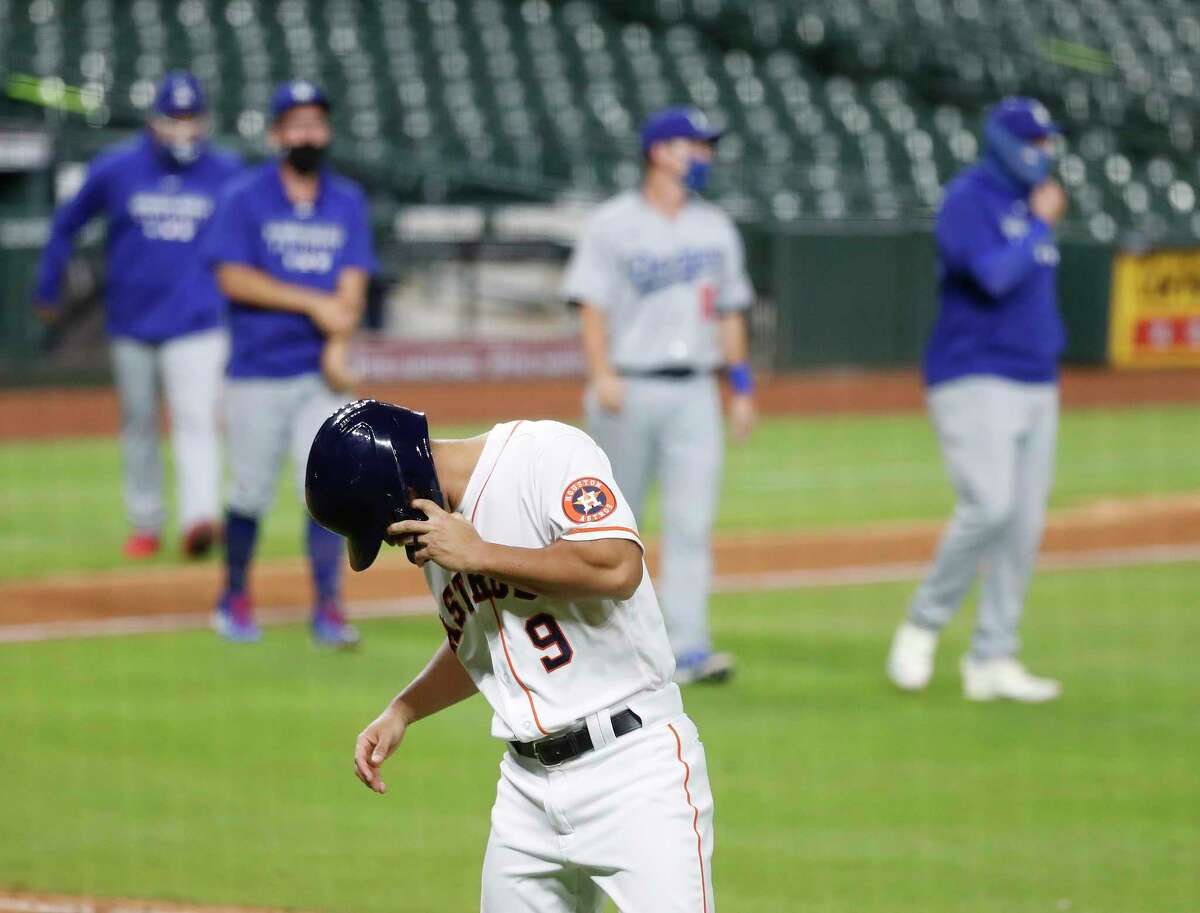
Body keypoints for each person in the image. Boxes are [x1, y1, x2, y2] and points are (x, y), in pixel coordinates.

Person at [304, 400, 715, 912]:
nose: (389, 539)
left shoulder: (543, 455)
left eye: (381, 524)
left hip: (634, 772)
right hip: (527, 793)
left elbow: (618, 568)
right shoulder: (437, 537)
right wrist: (403, 710)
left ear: (402, 489)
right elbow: (486, 644)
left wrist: (479, 554)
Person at [561, 106, 756, 685]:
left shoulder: (716, 226)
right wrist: (600, 371)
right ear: (660, 151)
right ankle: (601, 644)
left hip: (694, 387)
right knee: (614, 526)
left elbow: (730, 311)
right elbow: (591, 305)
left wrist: (739, 386)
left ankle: (689, 646)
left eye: (707, 146)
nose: (705, 156)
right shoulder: (612, 223)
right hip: (628, 384)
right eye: (695, 145)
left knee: (692, 523)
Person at [887, 97, 1068, 703]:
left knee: (1023, 526)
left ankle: (994, 655)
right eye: (1037, 141)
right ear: (1007, 142)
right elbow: (991, 278)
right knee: (989, 506)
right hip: (974, 374)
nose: (1046, 152)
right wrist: (1041, 224)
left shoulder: (1025, 204)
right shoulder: (971, 198)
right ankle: (923, 624)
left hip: (1035, 377)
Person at [33, 71, 241, 559]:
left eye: (192, 118)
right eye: (174, 118)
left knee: (197, 421)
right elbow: (66, 222)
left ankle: (200, 518)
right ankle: (146, 522)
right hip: (131, 320)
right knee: (139, 424)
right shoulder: (117, 167)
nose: (183, 128)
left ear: (205, 120)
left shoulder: (227, 170)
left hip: (198, 320)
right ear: (154, 120)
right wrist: (47, 283)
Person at [205, 79, 375, 646]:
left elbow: (352, 286)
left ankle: (328, 608)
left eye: (316, 123)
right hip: (257, 367)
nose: (308, 134)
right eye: (296, 124)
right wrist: (311, 302)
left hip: (318, 374)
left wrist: (335, 341)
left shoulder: (346, 199)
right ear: (277, 133)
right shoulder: (245, 196)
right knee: (250, 489)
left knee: (327, 490)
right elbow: (232, 276)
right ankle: (234, 598)